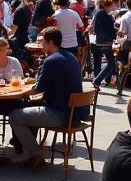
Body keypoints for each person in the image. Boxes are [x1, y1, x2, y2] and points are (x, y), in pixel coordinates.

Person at [9, 26, 84, 169]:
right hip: (74, 114)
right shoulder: (71, 57)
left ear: (50, 42)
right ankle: (29, 148)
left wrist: (18, 92)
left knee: (14, 116)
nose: (41, 45)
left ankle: (33, 152)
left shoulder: (51, 61)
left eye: (43, 42)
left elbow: (37, 89)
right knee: (27, 109)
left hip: (59, 114)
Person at [90, 0, 118, 87]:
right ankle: (97, 80)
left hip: (100, 41)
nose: (111, 8)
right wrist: (115, 34)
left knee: (110, 63)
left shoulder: (99, 14)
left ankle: (98, 80)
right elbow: (110, 29)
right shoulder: (105, 16)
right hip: (106, 42)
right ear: (107, 6)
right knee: (111, 64)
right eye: (110, 6)